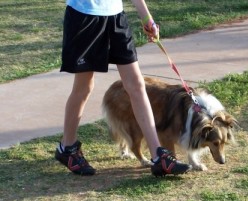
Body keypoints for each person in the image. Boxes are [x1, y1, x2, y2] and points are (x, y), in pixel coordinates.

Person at [55, 0, 192, 176]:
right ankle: (67, 147)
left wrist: (146, 18)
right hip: (84, 16)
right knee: (84, 87)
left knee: (136, 84)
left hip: (115, 17)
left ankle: (159, 156)